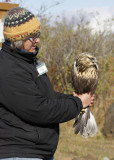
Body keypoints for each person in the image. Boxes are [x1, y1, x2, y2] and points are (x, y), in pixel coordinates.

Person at [0, 7, 94, 160]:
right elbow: (39, 110)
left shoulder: (27, 61)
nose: (37, 40)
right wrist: (77, 103)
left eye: (38, 34)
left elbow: (45, 96)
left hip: (36, 151)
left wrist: (71, 97)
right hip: (20, 152)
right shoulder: (9, 70)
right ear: (17, 41)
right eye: (32, 37)